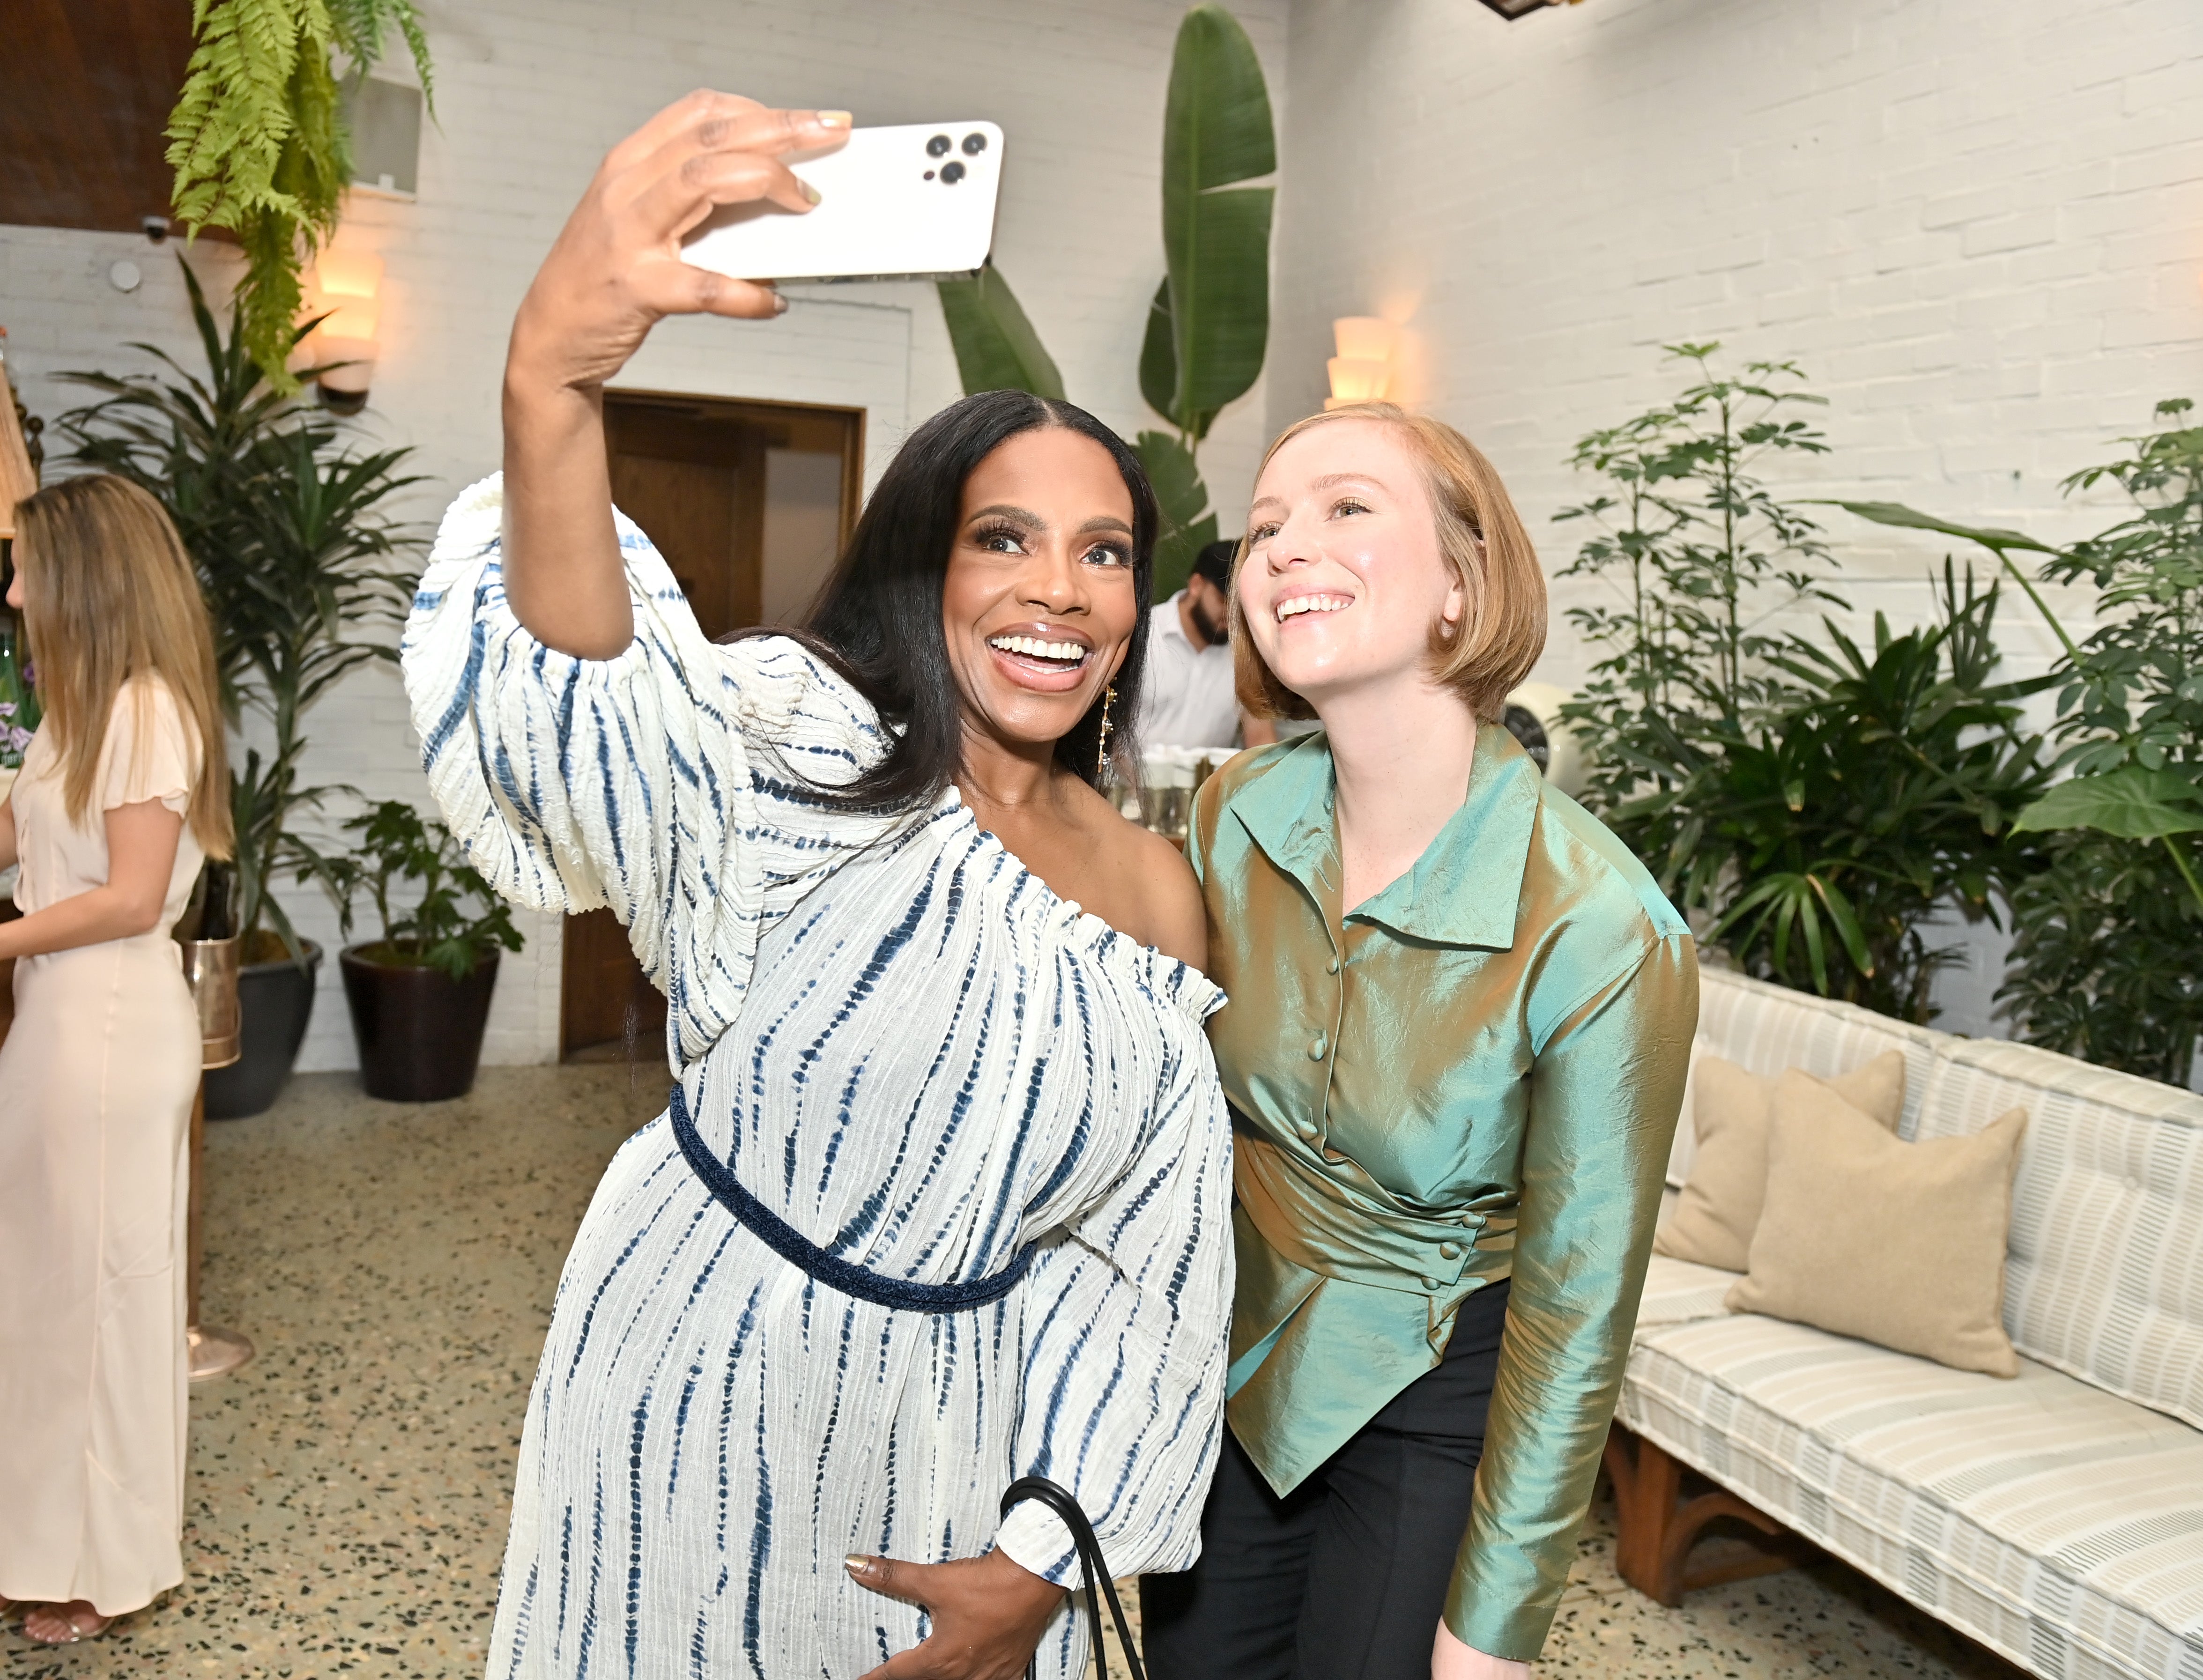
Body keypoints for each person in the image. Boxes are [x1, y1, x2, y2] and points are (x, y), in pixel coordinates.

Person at [401, 92, 1232, 1680]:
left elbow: (1144, 1267)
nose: (1059, 587)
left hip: (967, 1437)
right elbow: (602, 715)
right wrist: (551, 383)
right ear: (926, 560)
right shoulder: (795, 734)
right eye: (1006, 537)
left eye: (1107, 550)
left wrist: (1044, 1557)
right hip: (695, 1366)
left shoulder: (1153, 894)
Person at [1139, 403, 1697, 1680]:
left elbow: (1573, 1320)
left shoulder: (1604, 929)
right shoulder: (1232, 814)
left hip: (1434, 1400)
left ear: (1460, 580)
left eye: (1344, 508)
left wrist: (1490, 1630)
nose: (1282, 546)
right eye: (1264, 523)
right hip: (1231, 1369)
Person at [0, 474, 233, 1645]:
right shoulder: (78, 713)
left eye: (27, 566)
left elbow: (133, 896)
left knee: (96, 1299)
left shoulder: (146, 710)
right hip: (57, 1016)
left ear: (82, 576)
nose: (12, 589)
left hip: (103, 1024)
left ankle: (102, 1559)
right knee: (46, 1286)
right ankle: (42, 1533)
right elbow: (33, 837)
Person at [1140, 538, 1272, 750]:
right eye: (1224, 599)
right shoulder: (1140, 637)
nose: (1232, 614)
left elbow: (1261, 738)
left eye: (1242, 605)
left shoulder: (1247, 652)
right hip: (1127, 782)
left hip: (1212, 782)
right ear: (1196, 585)